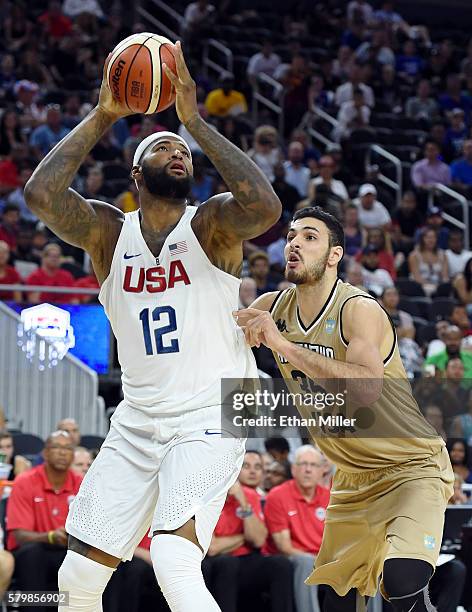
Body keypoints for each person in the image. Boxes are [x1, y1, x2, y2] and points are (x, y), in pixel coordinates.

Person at [24, 41, 281, 612]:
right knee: (74, 581)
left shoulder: (211, 224)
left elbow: (265, 209)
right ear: (136, 173)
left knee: (172, 559)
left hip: (214, 409)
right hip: (138, 420)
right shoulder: (109, 234)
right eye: (165, 146)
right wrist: (105, 113)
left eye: (183, 150)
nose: (180, 153)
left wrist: (195, 122)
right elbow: (41, 194)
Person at [235, 206, 454, 611]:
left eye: (310, 237)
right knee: (334, 597)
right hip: (352, 477)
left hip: (410, 467)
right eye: (291, 237)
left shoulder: (359, 309)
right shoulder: (272, 307)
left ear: (334, 255)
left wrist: (282, 347)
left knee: (403, 579)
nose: (295, 244)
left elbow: (366, 389)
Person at [6, 431, 82, 605]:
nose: (62, 452)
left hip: (68, 550)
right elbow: (20, 535)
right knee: (34, 554)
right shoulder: (25, 481)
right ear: (45, 453)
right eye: (56, 447)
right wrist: (49, 536)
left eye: (68, 448)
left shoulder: (82, 483)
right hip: (32, 551)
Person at [264, 445, 330, 612]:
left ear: (322, 470)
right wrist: (319, 562)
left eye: (313, 465)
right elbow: (284, 547)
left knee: (366, 565)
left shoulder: (331, 497)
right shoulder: (278, 495)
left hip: (323, 560)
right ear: (293, 469)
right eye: (303, 464)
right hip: (294, 559)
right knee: (306, 562)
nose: (308, 470)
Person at [408, 228, 449, 295]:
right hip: (420, 286)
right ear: (422, 239)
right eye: (428, 237)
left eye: (433, 237)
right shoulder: (414, 256)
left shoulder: (443, 255)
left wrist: (442, 286)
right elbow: (416, 277)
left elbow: (445, 276)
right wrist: (431, 286)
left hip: (438, 285)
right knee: (429, 289)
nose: (431, 240)